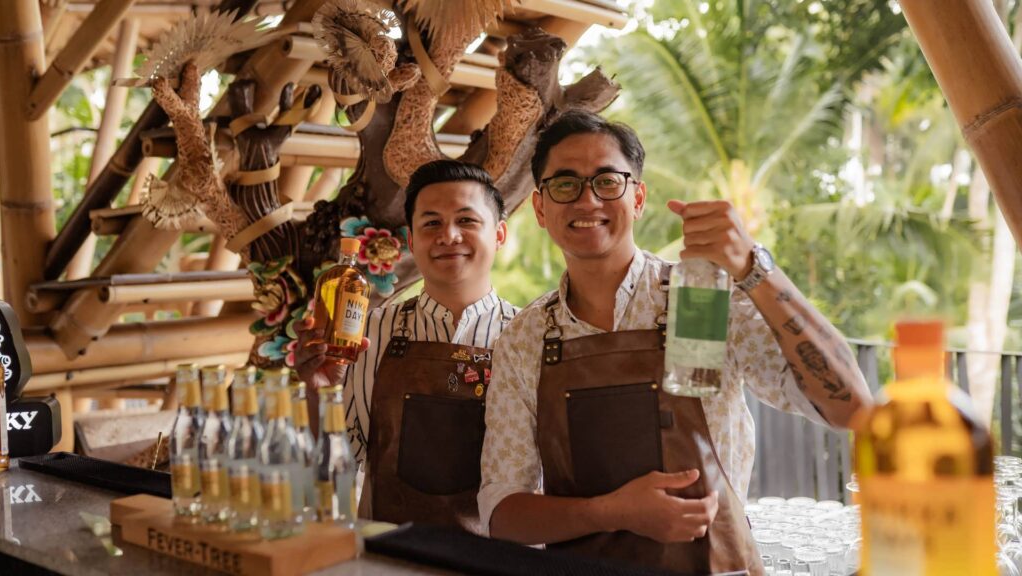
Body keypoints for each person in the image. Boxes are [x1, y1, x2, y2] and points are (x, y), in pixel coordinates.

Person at [478, 110, 871, 574]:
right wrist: (613, 512)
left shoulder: (698, 301)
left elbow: (851, 408)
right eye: (565, 184)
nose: (587, 200)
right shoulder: (526, 337)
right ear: (541, 208)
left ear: (638, 197)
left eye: (607, 181)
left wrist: (752, 268)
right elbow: (502, 513)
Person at [295, 159, 518, 532]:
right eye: (431, 223)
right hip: (389, 555)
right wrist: (320, 391)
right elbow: (337, 463)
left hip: (499, 560)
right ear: (411, 242)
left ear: (499, 234)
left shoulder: (527, 337)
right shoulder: (370, 332)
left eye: (466, 220)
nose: (449, 235)